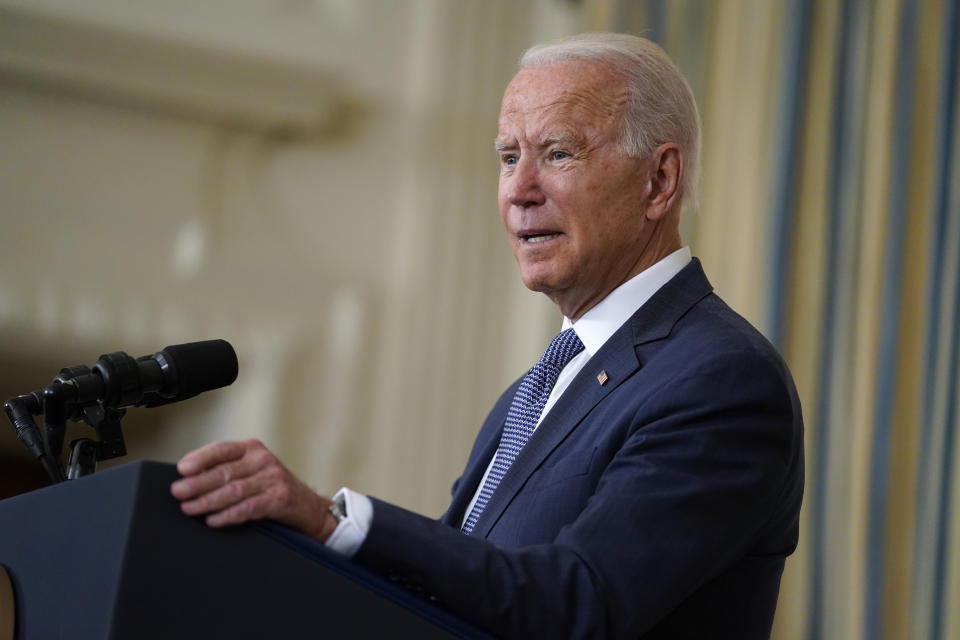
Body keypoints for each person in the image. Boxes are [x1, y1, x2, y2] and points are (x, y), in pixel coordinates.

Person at [170, 33, 803, 639]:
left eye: (558, 153)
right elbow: (451, 598)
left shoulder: (721, 378)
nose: (521, 191)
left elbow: (579, 604)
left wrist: (333, 521)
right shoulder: (535, 390)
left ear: (659, 181)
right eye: (508, 157)